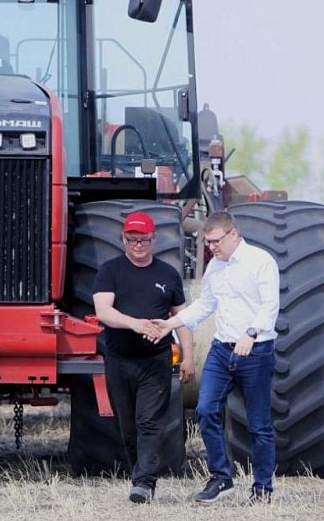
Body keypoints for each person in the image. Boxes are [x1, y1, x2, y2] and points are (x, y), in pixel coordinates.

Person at [154, 211, 279, 505]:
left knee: (259, 425)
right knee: (206, 409)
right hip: (222, 350)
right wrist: (170, 324)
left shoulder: (260, 262)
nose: (211, 247)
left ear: (233, 235)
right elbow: (205, 305)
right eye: (208, 242)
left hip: (256, 351)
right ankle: (221, 478)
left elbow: (270, 305)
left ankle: (263, 488)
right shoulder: (215, 267)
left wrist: (251, 333)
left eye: (215, 241)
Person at [92, 211, 195, 504]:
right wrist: (135, 324)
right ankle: (139, 473)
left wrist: (188, 357)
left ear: (154, 239)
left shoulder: (168, 274)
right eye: (132, 239)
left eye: (144, 240)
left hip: (155, 361)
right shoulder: (110, 271)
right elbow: (103, 311)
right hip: (119, 360)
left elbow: (182, 319)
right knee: (127, 426)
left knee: (148, 422)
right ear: (123, 239)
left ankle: (144, 483)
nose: (138, 245)